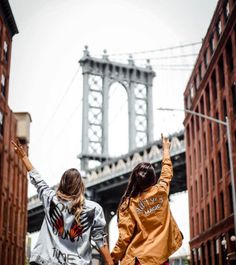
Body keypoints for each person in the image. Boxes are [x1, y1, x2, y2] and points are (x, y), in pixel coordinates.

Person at [12, 140, 113, 265]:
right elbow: (99, 239)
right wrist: (110, 262)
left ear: (62, 183)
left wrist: (23, 157)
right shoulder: (94, 209)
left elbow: (37, 180)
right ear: (81, 186)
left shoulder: (50, 198)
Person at [111, 135, 183, 265]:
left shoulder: (129, 204)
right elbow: (167, 171)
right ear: (153, 178)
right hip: (160, 259)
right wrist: (166, 149)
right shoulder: (161, 191)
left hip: (139, 260)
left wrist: (113, 258)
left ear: (134, 180)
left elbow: (124, 238)